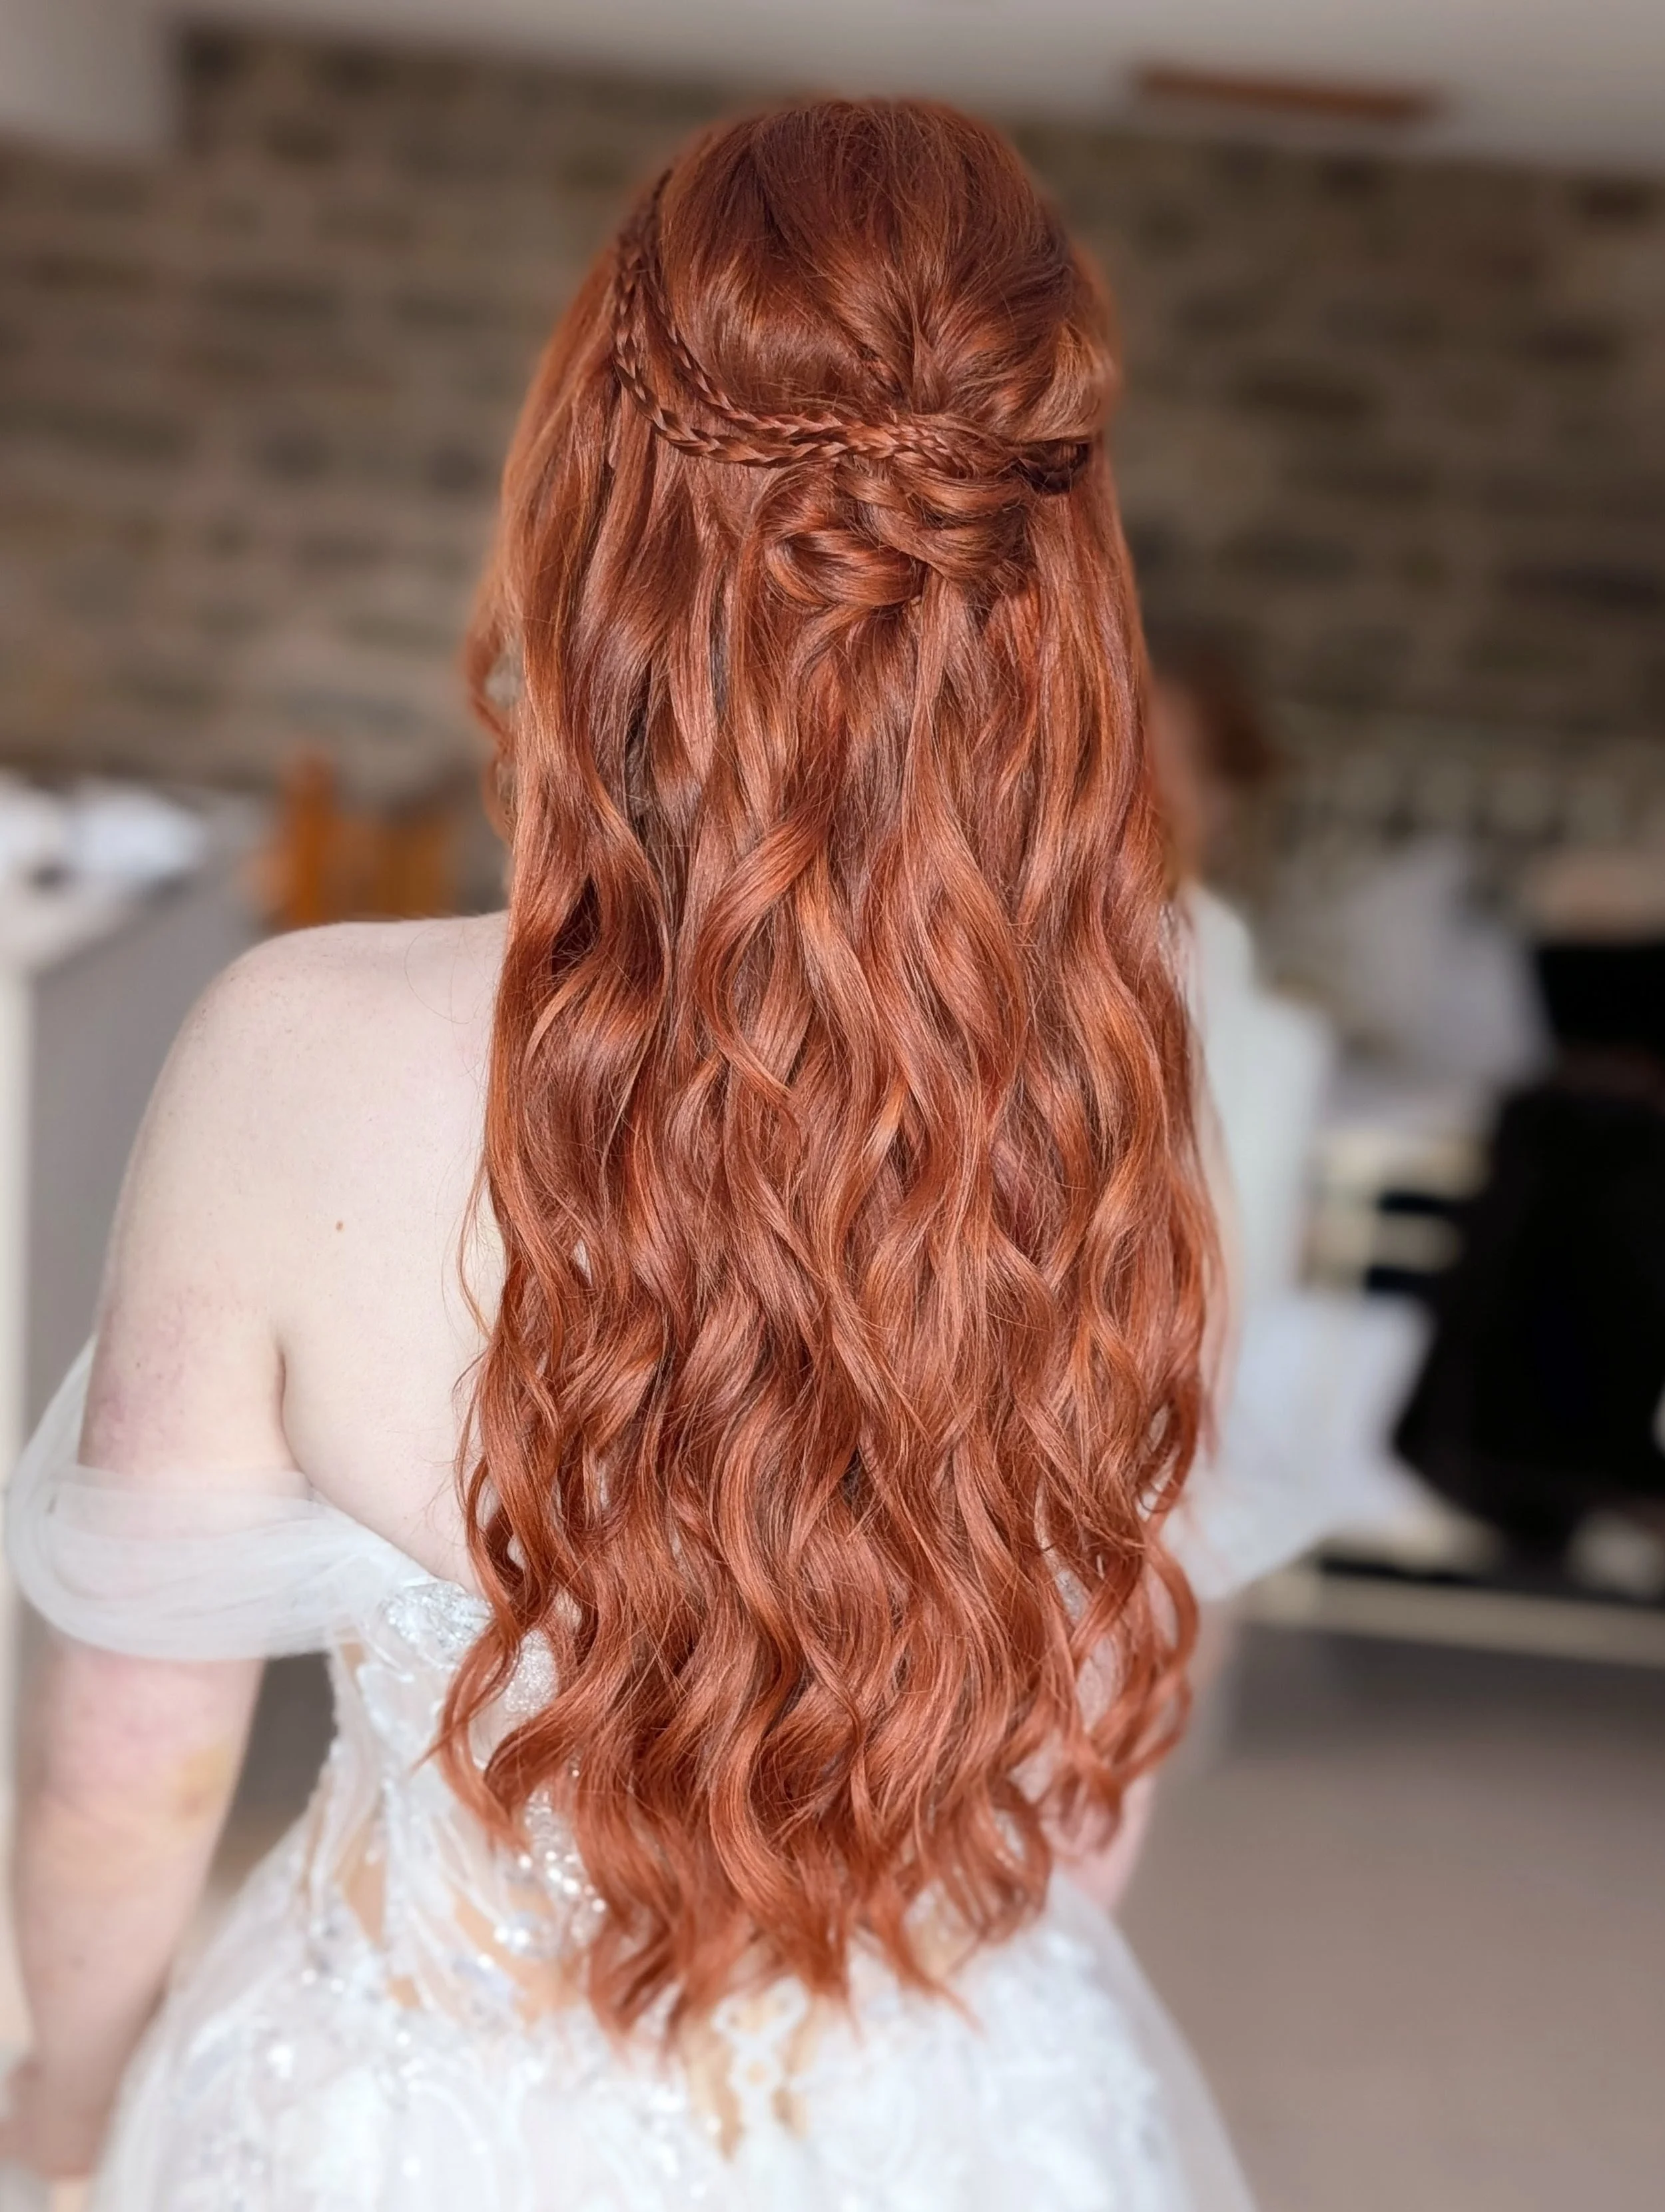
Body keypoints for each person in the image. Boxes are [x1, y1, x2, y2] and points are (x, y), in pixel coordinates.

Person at [1, 103, 1275, 2209]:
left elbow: (130, 1777)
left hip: (388, 2123)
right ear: (1047, 580)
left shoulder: (294, 1047)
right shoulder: (1112, 1067)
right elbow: (1085, 1763)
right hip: (926, 2088)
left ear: (588, 519)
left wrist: (61, 2130)